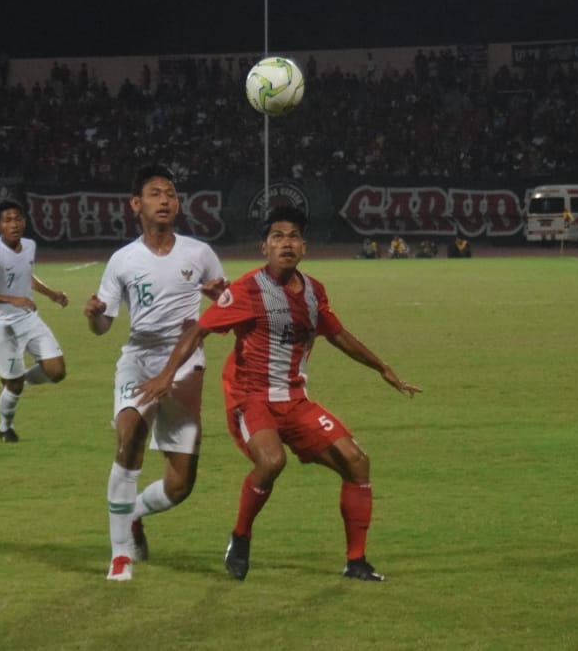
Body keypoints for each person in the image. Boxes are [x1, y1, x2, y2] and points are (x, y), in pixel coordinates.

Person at [134, 206, 421, 582]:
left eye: (293, 236)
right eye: (278, 236)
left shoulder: (315, 291)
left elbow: (337, 334)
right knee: (271, 462)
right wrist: (166, 376)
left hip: (295, 400)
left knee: (356, 462)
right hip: (250, 398)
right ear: (264, 247)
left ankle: (356, 562)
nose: (286, 243)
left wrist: (383, 367)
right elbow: (197, 330)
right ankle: (240, 537)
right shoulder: (247, 290)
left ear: (305, 247)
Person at [83, 164, 227, 582]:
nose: (165, 199)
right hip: (139, 360)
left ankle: (134, 515)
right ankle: (120, 556)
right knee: (130, 439)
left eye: (171, 193)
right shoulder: (122, 260)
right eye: (154, 193)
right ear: (136, 204)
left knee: (181, 484)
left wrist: (222, 299)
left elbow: (226, 308)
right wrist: (94, 317)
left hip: (185, 366)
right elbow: (104, 324)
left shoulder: (199, 254)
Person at [0, 199, 69, 443]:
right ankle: (5, 428)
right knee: (14, 388)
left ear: (24, 222)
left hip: (29, 319)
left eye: (18, 219)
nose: (14, 224)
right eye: (7, 220)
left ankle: (18, 376)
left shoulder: (29, 245)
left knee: (57, 371)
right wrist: (12, 299)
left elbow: (28, 275)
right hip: (3, 325)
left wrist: (52, 294)